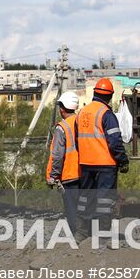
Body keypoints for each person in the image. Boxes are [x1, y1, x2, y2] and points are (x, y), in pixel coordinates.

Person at [75, 79, 131, 237]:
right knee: (104, 200)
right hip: (105, 164)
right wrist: (123, 160)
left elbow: (78, 140)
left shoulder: (82, 113)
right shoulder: (106, 114)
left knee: (85, 197)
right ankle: (103, 234)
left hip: (86, 163)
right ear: (111, 96)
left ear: (94, 93)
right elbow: (115, 142)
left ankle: (82, 232)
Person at [45, 91, 81, 233]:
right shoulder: (81, 122)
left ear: (62, 108)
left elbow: (58, 155)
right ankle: (87, 234)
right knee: (84, 206)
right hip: (84, 172)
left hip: (69, 175)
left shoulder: (62, 128)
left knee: (72, 209)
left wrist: (53, 176)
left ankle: (76, 236)